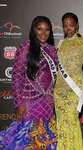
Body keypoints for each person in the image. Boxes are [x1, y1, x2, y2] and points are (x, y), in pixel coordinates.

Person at [0, 16, 58, 150]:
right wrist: (18, 103)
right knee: (26, 139)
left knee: (44, 138)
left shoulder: (53, 50)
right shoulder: (25, 47)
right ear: (34, 30)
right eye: (40, 29)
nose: (43, 33)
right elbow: (15, 76)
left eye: (47, 30)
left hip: (48, 103)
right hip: (29, 103)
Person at [54, 12, 83, 150]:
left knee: (70, 122)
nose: (68, 28)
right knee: (62, 125)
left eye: (71, 25)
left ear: (77, 25)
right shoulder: (59, 44)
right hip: (58, 91)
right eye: (65, 26)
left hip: (74, 91)